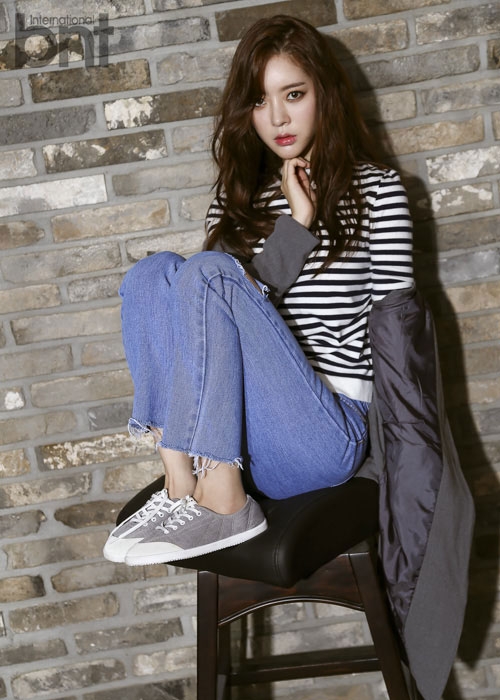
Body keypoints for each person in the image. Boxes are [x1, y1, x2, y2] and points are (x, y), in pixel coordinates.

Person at [103, 14, 413, 567]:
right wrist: (294, 224)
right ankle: (180, 478)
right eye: (259, 100)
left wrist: (299, 225)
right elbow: (227, 323)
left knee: (208, 272)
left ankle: (224, 500)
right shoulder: (237, 200)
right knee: (153, 274)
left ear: (324, 92)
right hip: (244, 435)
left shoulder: (377, 191)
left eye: (293, 94)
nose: (277, 118)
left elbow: (398, 330)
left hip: (326, 433)